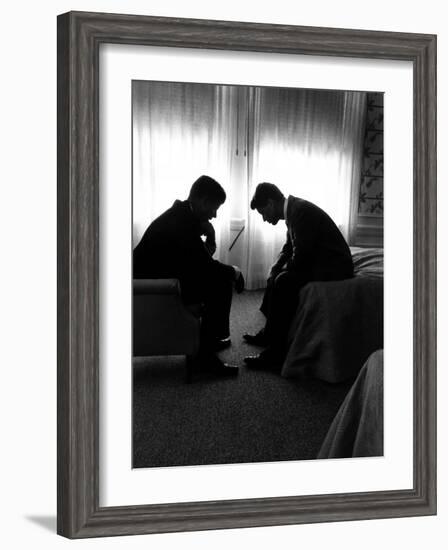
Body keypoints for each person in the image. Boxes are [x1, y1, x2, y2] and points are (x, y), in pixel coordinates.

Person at [133, 175, 245, 376]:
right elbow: (205, 266)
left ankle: (208, 342)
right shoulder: (182, 224)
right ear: (203, 202)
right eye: (215, 208)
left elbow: (197, 260)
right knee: (220, 283)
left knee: (217, 279)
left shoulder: (183, 215)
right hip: (153, 288)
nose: (215, 215)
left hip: (163, 279)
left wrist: (210, 237)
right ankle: (205, 359)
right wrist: (235, 272)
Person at [244, 182, 354, 371]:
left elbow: (302, 255)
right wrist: (276, 267)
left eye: (263, 213)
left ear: (271, 203)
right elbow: (289, 247)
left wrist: (282, 272)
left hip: (334, 265)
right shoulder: (294, 210)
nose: (264, 219)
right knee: (276, 275)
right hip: (320, 258)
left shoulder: (301, 212)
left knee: (284, 281)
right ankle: (269, 334)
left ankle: (276, 354)